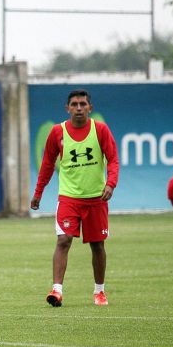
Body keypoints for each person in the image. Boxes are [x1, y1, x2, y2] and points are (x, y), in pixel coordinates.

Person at [31, 89, 119, 307]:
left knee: (98, 245)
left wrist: (110, 184)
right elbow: (47, 165)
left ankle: (99, 291)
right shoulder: (57, 132)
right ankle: (56, 291)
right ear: (67, 108)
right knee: (63, 240)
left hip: (96, 199)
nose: (78, 108)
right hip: (69, 198)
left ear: (90, 107)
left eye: (82, 104)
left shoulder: (100, 130)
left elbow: (114, 160)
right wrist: (38, 193)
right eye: (74, 104)